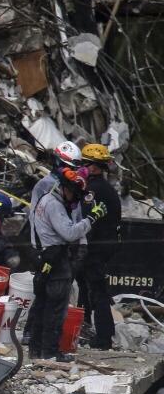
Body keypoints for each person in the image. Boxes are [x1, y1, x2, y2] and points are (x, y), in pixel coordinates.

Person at [26, 166, 106, 362]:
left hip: (45, 256)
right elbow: (69, 233)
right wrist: (91, 219)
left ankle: (36, 350)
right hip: (55, 257)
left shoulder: (46, 199)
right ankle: (50, 352)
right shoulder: (53, 204)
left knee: (43, 304)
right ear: (66, 189)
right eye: (75, 195)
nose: (76, 200)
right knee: (55, 308)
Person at [77, 143, 120, 350]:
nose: (83, 168)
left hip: (95, 247)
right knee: (87, 287)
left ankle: (103, 337)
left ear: (93, 166)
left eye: (86, 164)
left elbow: (86, 220)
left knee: (96, 289)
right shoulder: (107, 188)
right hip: (105, 245)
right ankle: (87, 327)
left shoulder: (93, 189)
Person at [29, 141, 83, 251]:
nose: (71, 172)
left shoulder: (72, 186)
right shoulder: (44, 185)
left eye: (74, 169)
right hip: (50, 248)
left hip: (68, 245)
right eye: (68, 167)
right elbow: (35, 219)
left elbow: (77, 215)